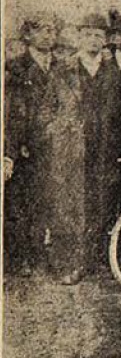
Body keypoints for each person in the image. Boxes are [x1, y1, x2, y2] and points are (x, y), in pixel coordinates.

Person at [45, 13, 121, 284]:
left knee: (100, 202)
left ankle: (94, 260)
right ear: (79, 36)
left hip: (104, 147)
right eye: (89, 34)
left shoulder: (113, 71)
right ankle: (70, 264)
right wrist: (57, 134)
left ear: (105, 40)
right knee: (71, 205)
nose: (94, 39)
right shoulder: (63, 69)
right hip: (71, 147)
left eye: (99, 35)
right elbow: (47, 110)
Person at [5, 16, 61, 276]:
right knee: (21, 199)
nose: (49, 36)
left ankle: (40, 251)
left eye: (52, 30)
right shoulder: (15, 68)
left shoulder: (60, 67)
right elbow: (13, 113)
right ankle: (21, 256)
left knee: (47, 199)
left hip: (55, 143)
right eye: (42, 31)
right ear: (28, 35)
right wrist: (15, 148)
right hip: (25, 144)